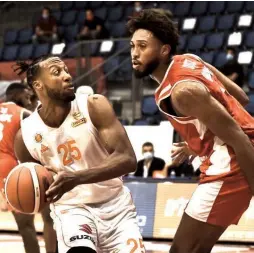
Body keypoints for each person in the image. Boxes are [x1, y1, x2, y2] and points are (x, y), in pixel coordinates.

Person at [127, 9, 254, 253]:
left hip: (233, 167)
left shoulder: (181, 91)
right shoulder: (191, 59)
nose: (134, 53)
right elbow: (240, 98)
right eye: (133, 46)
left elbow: (237, 137)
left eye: (143, 46)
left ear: (164, 50)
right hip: (231, 158)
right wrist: (195, 143)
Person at [13, 56, 144, 253]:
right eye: (57, 72)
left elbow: (128, 159)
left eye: (66, 70)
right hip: (72, 211)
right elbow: (38, 187)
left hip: (116, 208)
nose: (67, 76)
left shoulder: (93, 105)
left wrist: (77, 178)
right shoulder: (26, 135)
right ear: (38, 85)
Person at [0, 82, 57, 253]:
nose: (29, 98)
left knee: (25, 224)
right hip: (13, 165)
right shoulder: (23, 113)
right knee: (47, 216)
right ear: (16, 95)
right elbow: (46, 133)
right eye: (26, 95)